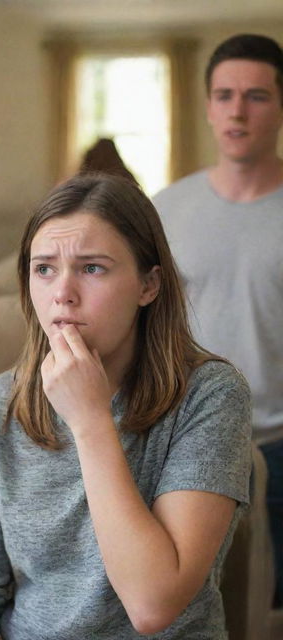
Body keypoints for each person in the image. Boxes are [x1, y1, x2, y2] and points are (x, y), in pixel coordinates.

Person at [0, 173, 252, 639]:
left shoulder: (212, 396)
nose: (62, 292)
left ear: (149, 285)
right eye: (44, 268)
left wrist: (90, 419)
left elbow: (153, 605)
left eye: (92, 268)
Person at [153, 33, 283, 606]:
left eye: (255, 96)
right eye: (224, 94)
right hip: (190, 439)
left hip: (281, 442)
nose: (237, 110)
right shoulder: (165, 209)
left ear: (280, 106)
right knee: (198, 600)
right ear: (207, 106)